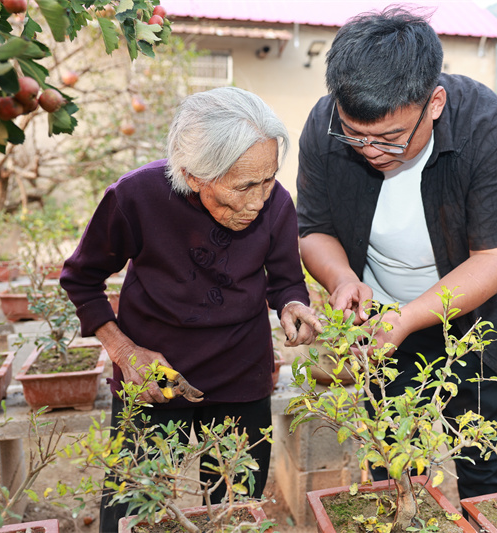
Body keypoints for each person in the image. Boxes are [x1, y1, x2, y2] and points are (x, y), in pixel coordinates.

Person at [60, 86, 322, 532]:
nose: (259, 201)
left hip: (243, 376)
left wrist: (292, 304)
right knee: (132, 508)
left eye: (268, 179)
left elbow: (284, 279)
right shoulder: (135, 198)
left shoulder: (274, 201)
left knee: (234, 511)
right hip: (153, 378)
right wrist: (124, 352)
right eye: (242, 187)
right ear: (193, 175)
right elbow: (81, 279)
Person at [296, 6, 497, 499]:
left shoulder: (485, 125)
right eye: (354, 135)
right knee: (397, 474)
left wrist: (408, 316)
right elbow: (313, 229)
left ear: (435, 103)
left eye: (391, 139)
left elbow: (494, 260)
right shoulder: (323, 125)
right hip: (381, 329)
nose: (371, 150)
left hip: (475, 328)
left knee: (487, 473)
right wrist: (340, 280)